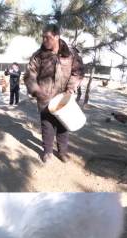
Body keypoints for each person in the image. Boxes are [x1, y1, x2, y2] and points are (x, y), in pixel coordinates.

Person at [24, 24, 85, 163]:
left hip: (64, 98)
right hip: (44, 97)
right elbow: (29, 75)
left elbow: (78, 72)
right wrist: (36, 90)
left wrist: (70, 88)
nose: (44, 40)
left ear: (57, 37)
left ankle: (62, 152)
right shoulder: (38, 55)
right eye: (43, 37)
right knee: (47, 126)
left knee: (63, 125)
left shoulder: (70, 53)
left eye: (48, 37)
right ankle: (47, 152)